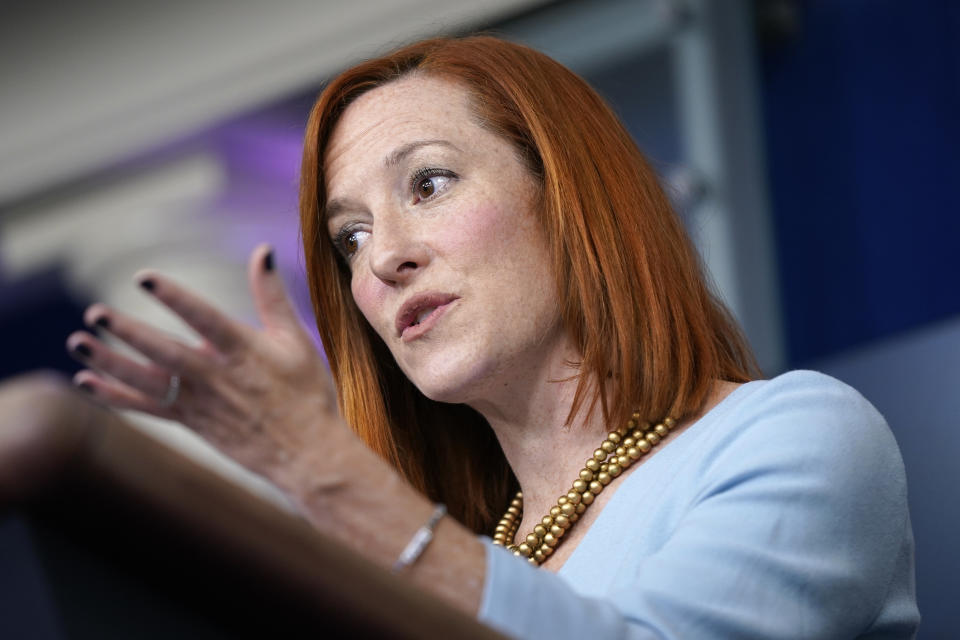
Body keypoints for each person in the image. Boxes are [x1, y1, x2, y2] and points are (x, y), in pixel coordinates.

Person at [66, 36, 919, 638]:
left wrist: (321, 469)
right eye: (349, 238)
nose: (386, 257)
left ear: (569, 195)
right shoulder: (462, 553)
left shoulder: (794, 433)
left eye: (429, 184)